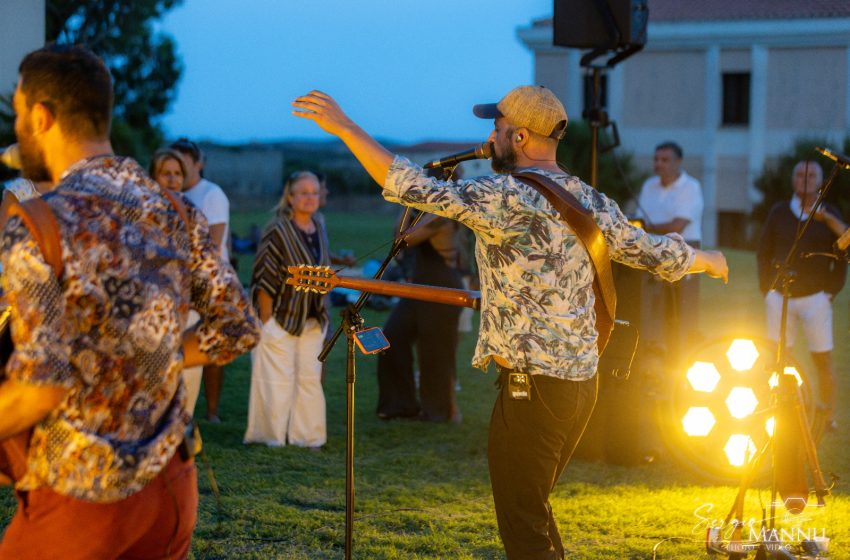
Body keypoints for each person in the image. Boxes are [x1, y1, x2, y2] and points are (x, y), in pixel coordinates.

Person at [292, 85, 728, 559]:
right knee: (533, 513)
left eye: (496, 129)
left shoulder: (506, 196)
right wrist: (706, 258)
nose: (490, 137)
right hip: (580, 387)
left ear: (519, 135)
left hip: (534, 390)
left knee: (523, 526)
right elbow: (648, 250)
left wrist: (346, 129)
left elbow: (412, 186)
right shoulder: (589, 198)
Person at [0, 44, 260, 559]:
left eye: (19, 116)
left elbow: (40, 388)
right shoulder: (177, 210)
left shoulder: (36, 224)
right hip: (170, 487)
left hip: (79, 498)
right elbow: (237, 326)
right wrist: (152, 351)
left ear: (42, 116)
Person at [757, 160, 846, 431]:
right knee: (778, 357)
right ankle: (778, 408)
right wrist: (767, 289)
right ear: (792, 180)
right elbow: (764, 250)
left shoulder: (830, 215)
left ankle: (828, 415)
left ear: (821, 181)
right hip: (780, 296)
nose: (804, 178)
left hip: (816, 297)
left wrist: (831, 291)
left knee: (823, 359)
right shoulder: (779, 212)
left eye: (811, 175)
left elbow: (842, 254)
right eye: (799, 174)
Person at [244, 171, 330, 448]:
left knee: (309, 379)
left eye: (314, 193)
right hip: (279, 315)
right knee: (276, 380)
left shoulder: (320, 225)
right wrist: (267, 322)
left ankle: (308, 437)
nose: (309, 198)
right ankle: (272, 437)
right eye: (303, 193)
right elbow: (264, 277)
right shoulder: (276, 229)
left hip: (313, 318)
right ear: (290, 197)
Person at [376, 210, 464, 422]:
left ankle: (440, 411)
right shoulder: (417, 213)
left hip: (443, 286)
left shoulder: (441, 214)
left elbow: (404, 240)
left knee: (436, 352)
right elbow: (397, 237)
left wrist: (406, 204)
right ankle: (400, 405)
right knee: (391, 337)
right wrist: (405, 207)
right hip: (418, 286)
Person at [170, 138, 231, 423]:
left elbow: (215, 243)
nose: (179, 170)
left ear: (198, 164)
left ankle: (211, 411)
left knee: (207, 344)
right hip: (179, 282)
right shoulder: (174, 193)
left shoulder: (210, 194)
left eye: (184, 164)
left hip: (206, 278)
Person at [635, 141, 704, 357]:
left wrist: (648, 227)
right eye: (656, 159)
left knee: (680, 312)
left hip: (684, 250)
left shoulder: (690, 187)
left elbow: (677, 226)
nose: (659, 164)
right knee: (653, 309)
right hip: (652, 251)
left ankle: (680, 360)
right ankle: (654, 355)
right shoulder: (649, 186)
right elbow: (638, 220)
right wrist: (645, 228)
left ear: (678, 162)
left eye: (665, 160)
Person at [149, 148, 204, 416]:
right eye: (166, 174)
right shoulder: (142, 214)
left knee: (190, 373)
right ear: (154, 177)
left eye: (177, 174)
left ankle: (185, 432)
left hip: (189, 303)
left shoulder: (193, 216)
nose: (172, 180)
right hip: (154, 305)